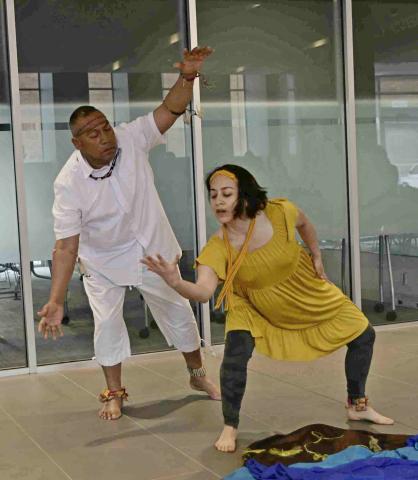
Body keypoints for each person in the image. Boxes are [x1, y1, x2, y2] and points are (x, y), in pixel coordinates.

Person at [141, 164, 394, 453]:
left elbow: (305, 224)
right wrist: (174, 281)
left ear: (245, 195)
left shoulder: (280, 212)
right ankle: (230, 425)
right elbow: (202, 292)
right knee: (235, 356)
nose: (219, 201)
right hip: (251, 304)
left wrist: (316, 255)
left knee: (363, 335)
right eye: (213, 196)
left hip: (303, 289)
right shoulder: (219, 245)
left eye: (226, 194)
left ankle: (358, 404)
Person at [38, 46, 220, 421]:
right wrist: (56, 299)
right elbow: (65, 246)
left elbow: (170, 110)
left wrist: (187, 77)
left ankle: (197, 375)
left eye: (105, 126)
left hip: (152, 250)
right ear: (77, 143)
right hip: (103, 261)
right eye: (92, 133)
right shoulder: (68, 184)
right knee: (107, 324)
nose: (104, 136)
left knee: (178, 312)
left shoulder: (131, 138)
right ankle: (114, 392)